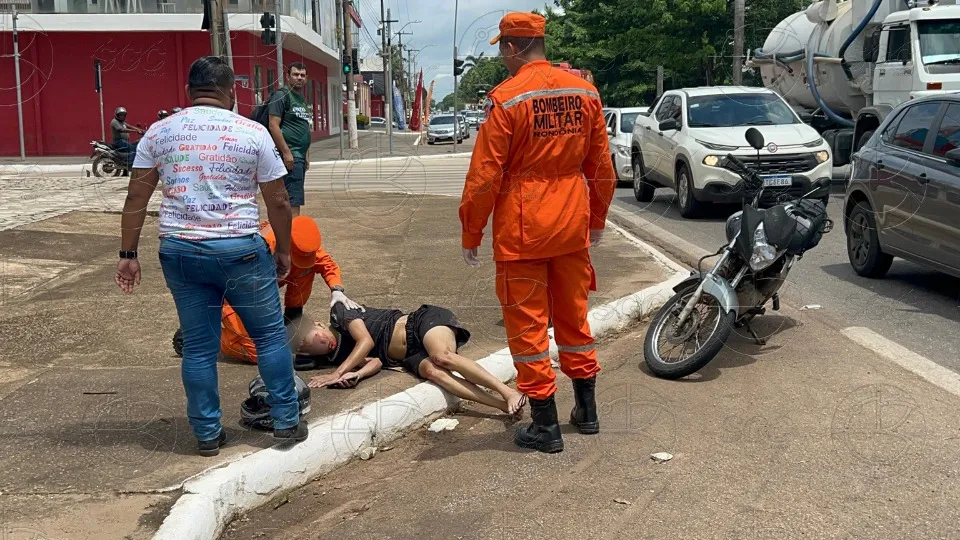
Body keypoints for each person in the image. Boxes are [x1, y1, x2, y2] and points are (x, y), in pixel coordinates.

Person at [115, 56, 308, 457]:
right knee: (269, 335)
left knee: (200, 346)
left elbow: (137, 196)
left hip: (181, 251)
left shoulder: (159, 133)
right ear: (231, 92)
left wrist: (128, 253)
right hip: (240, 250)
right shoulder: (252, 133)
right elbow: (278, 201)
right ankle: (287, 421)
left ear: (189, 92)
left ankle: (207, 434)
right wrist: (284, 249)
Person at [458, 12, 617, 454]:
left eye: (502, 50)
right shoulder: (585, 92)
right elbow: (602, 169)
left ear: (512, 47)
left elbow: (484, 176)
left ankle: (545, 425)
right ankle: (587, 411)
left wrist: (472, 231)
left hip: (523, 230)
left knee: (527, 327)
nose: (502, 58)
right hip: (571, 225)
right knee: (574, 318)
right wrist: (597, 220)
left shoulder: (507, 99)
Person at [301, 303, 527, 417]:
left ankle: (507, 392)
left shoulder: (341, 313)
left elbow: (366, 342)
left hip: (420, 323)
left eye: (313, 337)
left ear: (319, 324)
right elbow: (375, 362)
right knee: (434, 372)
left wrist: (337, 373)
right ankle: (502, 406)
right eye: (310, 349)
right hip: (409, 356)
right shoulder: (341, 354)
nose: (318, 344)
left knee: (442, 357)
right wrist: (356, 374)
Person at [215, 216, 362, 364]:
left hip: (266, 283)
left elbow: (326, 264)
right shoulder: (259, 247)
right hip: (231, 292)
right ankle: (208, 336)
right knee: (259, 352)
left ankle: (292, 315)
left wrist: (336, 289)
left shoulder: (304, 242)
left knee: (306, 269)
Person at [266, 62, 313, 217]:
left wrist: (306, 153)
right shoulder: (282, 95)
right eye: (295, 74)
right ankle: (291, 236)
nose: (299, 78)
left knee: (293, 198)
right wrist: (286, 152)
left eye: (302, 75)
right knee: (292, 200)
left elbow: (303, 126)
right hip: (288, 156)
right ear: (287, 76)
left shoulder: (301, 99)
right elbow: (273, 125)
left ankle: (289, 234)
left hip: (299, 156)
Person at [110, 107, 144, 175]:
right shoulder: (114, 122)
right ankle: (130, 165)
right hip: (119, 142)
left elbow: (130, 126)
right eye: (121, 115)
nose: (122, 116)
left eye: (123, 115)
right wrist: (135, 131)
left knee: (134, 146)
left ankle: (125, 172)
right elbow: (121, 130)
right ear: (117, 115)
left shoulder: (122, 122)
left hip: (124, 142)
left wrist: (140, 130)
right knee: (133, 148)